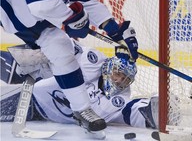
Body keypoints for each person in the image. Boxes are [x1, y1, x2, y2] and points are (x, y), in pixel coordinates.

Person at [0, 0, 138, 137]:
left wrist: (114, 30)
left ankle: (82, 110)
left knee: (61, 46)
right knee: (58, 38)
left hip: (17, 6)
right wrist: (69, 20)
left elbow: (86, 1)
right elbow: (39, 2)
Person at [0, 41, 158, 129]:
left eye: (125, 79)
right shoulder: (93, 59)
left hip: (43, 111)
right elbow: (65, 45)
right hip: (33, 95)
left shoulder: (120, 97)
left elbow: (92, 115)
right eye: (118, 74)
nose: (119, 81)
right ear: (109, 68)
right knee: (11, 65)